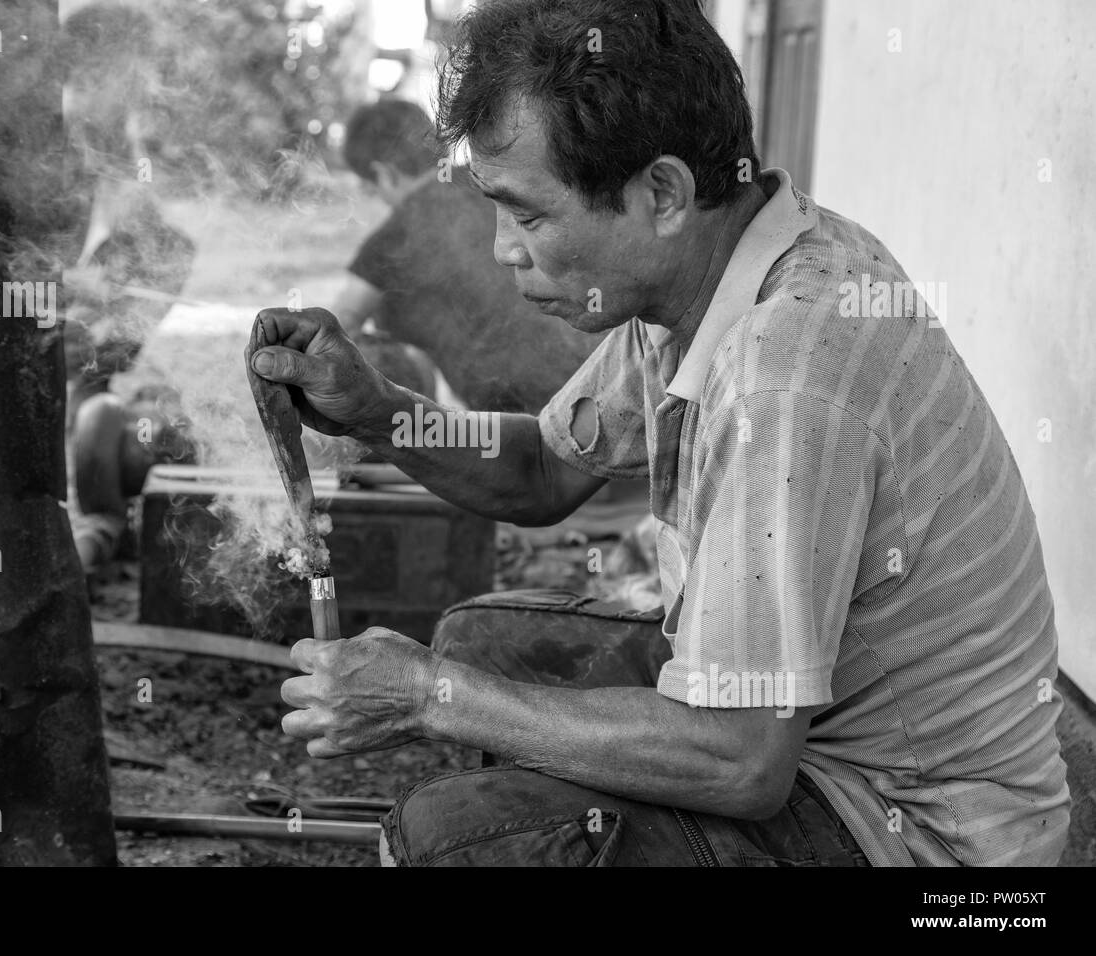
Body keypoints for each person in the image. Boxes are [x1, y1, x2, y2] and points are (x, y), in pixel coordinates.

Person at [252, 0, 1070, 866]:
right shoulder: (718, 266)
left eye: (529, 216)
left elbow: (741, 758)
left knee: (450, 843)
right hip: (802, 734)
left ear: (664, 193)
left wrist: (428, 697)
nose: (503, 251)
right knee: (479, 644)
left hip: (925, 835)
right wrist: (379, 411)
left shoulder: (782, 372)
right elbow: (542, 471)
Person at [333, 99, 604, 414]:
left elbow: (338, 327)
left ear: (385, 173)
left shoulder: (394, 235)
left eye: (372, 188)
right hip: (604, 374)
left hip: (526, 420)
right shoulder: (493, 180)